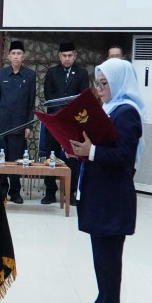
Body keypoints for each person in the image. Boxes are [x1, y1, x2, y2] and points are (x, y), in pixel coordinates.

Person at [70, 58, 145, 303]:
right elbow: (98, 148)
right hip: (100, 195)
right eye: (97, 83)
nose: (99, 89)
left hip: (113, 199)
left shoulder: (127, 113)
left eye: (104, 84)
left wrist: (90, 152)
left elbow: (124, 156)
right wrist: (77, 149)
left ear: (119, 83)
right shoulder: (108, 110)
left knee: (109, 261)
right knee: (101, 260)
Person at [41, 42, 90, 205]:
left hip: (72, 124)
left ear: (74, 56)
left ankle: (70, 193)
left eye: (70, 56)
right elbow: (48, 95)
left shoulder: (82, 73)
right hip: (54, 122)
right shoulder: (52, 72)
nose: (67, 59)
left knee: (72, 159)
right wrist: (60, 114)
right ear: (59, 56)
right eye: (64, 56)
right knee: (51, 157)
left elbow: (82, 97)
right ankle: (50, 192)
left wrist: (68, 115)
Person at [0, 40, 35, 204]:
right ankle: (2, 190)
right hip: (2, 123)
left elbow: (31, 102)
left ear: (24, 57)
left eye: (19, 54)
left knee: (16, 159)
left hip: (19, 124)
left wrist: (29, 125)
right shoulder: (2, 74)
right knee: (1, 159)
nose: (16, 56)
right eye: (13, 54)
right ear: (9, 56)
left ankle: (15, 192)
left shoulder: (30, 75)